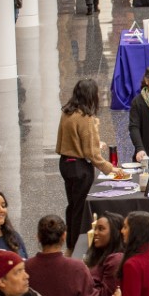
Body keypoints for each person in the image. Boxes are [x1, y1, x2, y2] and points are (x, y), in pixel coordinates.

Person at [56, 79, 120, 252]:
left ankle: (70, 243)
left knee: (73, 206)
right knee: (81, 209)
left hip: (65, 163)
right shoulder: (86, 118)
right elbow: (91, 153)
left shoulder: (67, 112)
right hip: (80, 167)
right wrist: (109, 168)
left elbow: (70, 139)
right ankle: (77, 245)